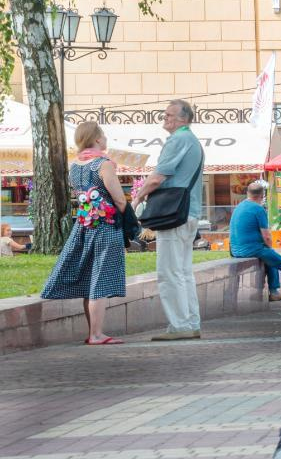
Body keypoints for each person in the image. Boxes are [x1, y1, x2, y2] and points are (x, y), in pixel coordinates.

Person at [41, 122, 130, 345]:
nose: (106, 139)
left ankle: (93, 331)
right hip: (106, 226)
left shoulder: (76, 165)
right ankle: (97, 334)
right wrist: (129, 219)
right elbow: (118, 198)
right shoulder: (104, 164)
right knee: (100, 279)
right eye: (104, 135)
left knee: (90, 278)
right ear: (98, 139)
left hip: (83, 226)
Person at [132, 99, 204, 342]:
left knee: (169, 271)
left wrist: (137, 198)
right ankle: (190, 322)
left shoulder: (178, 140)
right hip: (189, 212)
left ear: (183, 119)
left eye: (169, 115)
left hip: (175, 214)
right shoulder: (192, 141)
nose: (165, 119)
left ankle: (179, 325)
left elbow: (157, 177)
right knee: (183, 271)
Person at [229, 180, 281, 312]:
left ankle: (274, 291)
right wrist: (270, 246)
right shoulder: (258, 209)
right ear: (262, 196)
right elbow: (267, 236)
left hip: (235, 250)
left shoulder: (239, 207)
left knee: (271, 256)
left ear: (248, 194)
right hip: (252, 249)